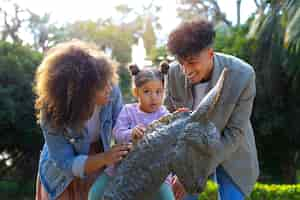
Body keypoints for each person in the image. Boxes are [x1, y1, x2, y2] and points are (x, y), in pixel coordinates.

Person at [165, 19, 259, 200]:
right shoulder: (172, 73)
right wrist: (183, 172)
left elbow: (234, 133)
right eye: (181, 62)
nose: (186, 71)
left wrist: (195, 172)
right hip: (188, 157)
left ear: (210, 53)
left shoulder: (244, 75)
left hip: (231, 152)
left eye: (192, 62)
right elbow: (169, 124)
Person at [34, 40, 131, 200]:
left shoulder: (111, 90)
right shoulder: (51, 113)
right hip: (62, 176)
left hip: (101, 160)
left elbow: (122, 126)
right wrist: (105, 158)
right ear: (82, 92)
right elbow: (65, 162)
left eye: (109, 82)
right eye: (102, 86)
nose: (109, 88)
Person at [88, 62, 175, 200]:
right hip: (122, 167)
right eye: (147, 91)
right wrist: (131, 133)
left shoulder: (164, 114)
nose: (154, 97)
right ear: (136, 92)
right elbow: (117, 132)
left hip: (154, 169)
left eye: (159, 91)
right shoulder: (128, 110)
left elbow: (170, 140)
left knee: (167, 197)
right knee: (95, 193)